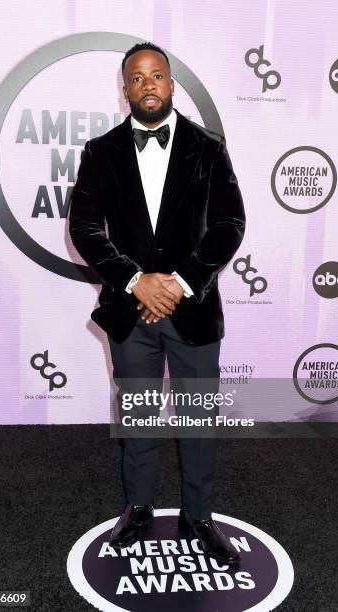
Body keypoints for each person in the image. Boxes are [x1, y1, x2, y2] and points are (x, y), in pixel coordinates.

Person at [69, 42, 245, 564]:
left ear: (171, 84)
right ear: (125, 90)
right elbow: (83, 227)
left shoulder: (208, 147)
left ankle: (199, 518)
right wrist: (133, 281)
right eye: (137, 78)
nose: (148, 84)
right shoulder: (101, 151)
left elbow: (229, 224)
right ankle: (139, 507)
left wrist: (178, 283)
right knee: (139, 417)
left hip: (192, 310)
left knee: (197, 421)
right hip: (130, 313)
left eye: (158, 75)